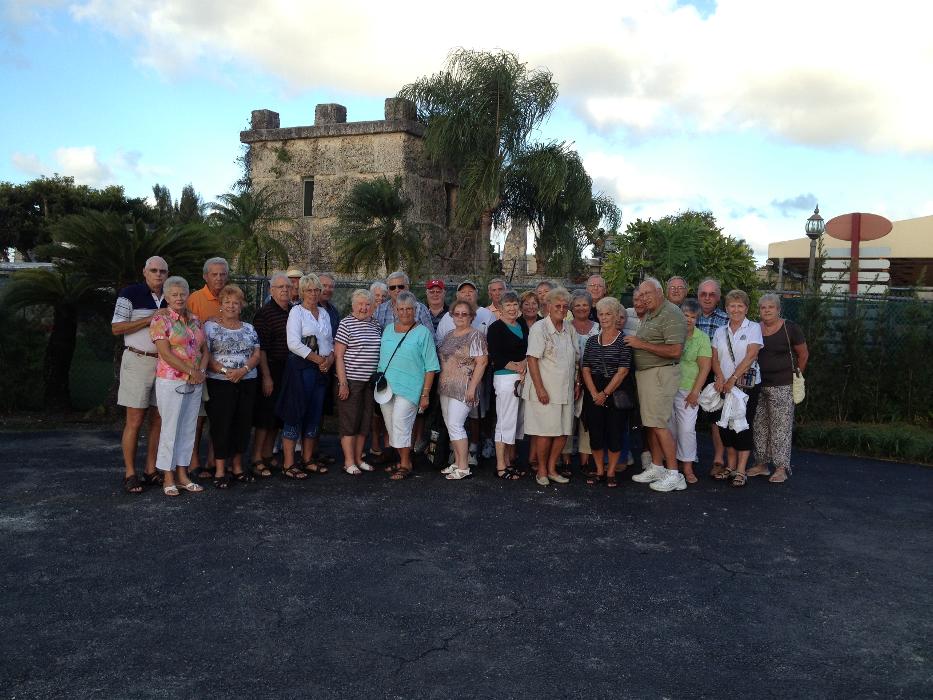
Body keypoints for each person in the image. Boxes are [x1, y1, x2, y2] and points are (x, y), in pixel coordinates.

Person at [112, 256, 169, 494]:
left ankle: (150, 470)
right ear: (144, 272)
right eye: (153, 270)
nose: (158, 274)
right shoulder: (130, 294)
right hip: (138, 360)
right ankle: (130, 473)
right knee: (135, 420)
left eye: (162, 271)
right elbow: (116, 327)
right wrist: (150, 319)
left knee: (158, 420)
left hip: (165, 365)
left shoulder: (172, 294)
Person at [626, 278, 688, 493]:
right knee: (651, 424)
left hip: (660, 374)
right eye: (641, 295)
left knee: (660, 424)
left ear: (659, 291)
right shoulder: (653, 313)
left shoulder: (671, 313)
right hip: (648, 375)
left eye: (647, 294)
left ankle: (674, 474)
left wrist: (639, 343)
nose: (643, 298)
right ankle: (657, 466)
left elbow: (675, 351)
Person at [150, 276, 207, 497]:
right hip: (171, 380)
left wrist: (200, 372)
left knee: (188, 428)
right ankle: (168, 476)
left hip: (195, 381)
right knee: (170, 428)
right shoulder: (161, 320)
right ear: (167, 296)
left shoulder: (195, 319)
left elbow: (204, 350)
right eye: (174, 294)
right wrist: (190, 371)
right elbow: (164, 352)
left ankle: (183, 475)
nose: (179, 298)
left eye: (182, 293)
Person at [376, 291, 439, 480]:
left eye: (409, 309)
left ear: (415, 309)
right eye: (401, 309)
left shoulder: (423, 333)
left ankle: (405, 464)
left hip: (411, 388)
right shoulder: (387, 330)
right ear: (395, 310)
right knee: (391, 426)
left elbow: (431, 366)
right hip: (386, 388)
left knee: (401, 423)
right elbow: (382, 360)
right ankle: (402, 459)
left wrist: (425, 394)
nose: (405, 312)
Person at [277, 273, 334, 479]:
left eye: (316, 290)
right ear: (301, 292)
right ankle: (289, 463)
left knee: (314, 414)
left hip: (321, 371)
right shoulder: (296, 312)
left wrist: (329, 360)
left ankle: (308, 459)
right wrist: (319, 360)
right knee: (295, 413)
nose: (313, 293)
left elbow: (330, 341)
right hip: (301, 369)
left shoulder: (324, 313)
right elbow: (293, 343)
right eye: (308, 290)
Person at [204, 284, 261, 488]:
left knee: (243, 425)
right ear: (221, 304)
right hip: (220, 383)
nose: (231, 306)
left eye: (235, 302)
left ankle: (237, 467)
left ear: (241, 305)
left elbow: (256, 354)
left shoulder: (249, 328)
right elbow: (206, 354)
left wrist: (243, 370)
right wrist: (224, 371)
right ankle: (220, 471)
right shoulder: (210, 327)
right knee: (221, 425)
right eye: (227, 302)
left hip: (247, 381)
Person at [748, 293, 808, 484]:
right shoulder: (755, 328)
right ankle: (761, 464)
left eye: (770, 307)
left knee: (780, 428)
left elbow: (803, 354)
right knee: (759, 426)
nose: (766, 311)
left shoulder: (790, 328)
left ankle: (781, 468)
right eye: (763, 307)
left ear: (778, 309)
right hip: (759, 384)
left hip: (783, 385)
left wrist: (796, 374)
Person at [524, 287, 581, 486]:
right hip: (545, 391)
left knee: (563, 432)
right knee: (545, 432)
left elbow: (576, 360)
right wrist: (540, 389)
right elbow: (531, 360)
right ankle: (541, 470)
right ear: (548, 307)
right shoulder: (539, 329)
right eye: (558, 305)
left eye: (565, 306)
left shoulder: (569, 329)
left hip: (565, 390)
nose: (562, 309)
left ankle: (551, 468)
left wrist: (577, 383)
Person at [710, 289, 763, 487]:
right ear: (726, 308)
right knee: (725, 427)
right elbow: (715, 358)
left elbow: (751, 356)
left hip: (745, 386)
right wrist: (721, 377)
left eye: (740, 305)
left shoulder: (753, 328)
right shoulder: (719, 331)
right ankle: (730, 467)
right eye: (732, 305)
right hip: (724, 386)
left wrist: (732, 378)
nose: (736, 309)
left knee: (742, 426)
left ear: (746, 308)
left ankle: (741, 470)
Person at [581, 297, 633, 487]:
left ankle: (611, 471)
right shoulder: (592, 341)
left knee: (614, 433)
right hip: (593, 389)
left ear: (616, 316)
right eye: (601, 314)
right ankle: (599, 470)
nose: (604, 318)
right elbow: (585, 368)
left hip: (616, 391)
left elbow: (623, 371)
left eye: (608, 314)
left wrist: (605, 393)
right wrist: (595, 393)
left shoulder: (624, 341)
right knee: (595, 432)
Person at [186, 256, 229, 477]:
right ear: (205, 276)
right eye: (214, 274)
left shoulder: (231, 297)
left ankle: (213, 460)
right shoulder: (194, 299)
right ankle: (193, 462)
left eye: (223, 274)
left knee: (219, 418)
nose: (219, 278)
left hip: (223, 372)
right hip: (200, 368)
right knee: (198, 418)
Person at [437, 300, 489, 480]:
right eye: (456, 313)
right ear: (451, 315)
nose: (460, 317)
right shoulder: (449, 334)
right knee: (451, 425)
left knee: (456, 425)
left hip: (464, 386)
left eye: (464, 314)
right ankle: (457, 462)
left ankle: (464, 466)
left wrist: (473, 388)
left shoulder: (476, 336)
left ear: (471, 317)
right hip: (446, 386)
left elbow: (482, 363)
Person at [334, 289, 382, 475]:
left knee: (364, 421)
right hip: (352, 381)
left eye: (367, 304)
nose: (364, 308)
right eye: (360, 304)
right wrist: (343, 383)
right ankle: (348, 461)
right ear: (353, 305)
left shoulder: (375, 324)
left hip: (370, 383)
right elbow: (338, 356)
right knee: (349, 422)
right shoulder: (346, 324)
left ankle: (358, 458)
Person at [250, 272, 291, 477]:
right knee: (264, 416)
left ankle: (267, 454)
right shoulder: (264, 314)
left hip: (288, 369)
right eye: (280, 287)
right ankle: (256, 457)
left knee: (277, 416)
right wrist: (266, 376)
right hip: (270, 369)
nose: (285, 290)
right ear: (271, 290)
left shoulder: (294, 311)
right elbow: (261, 348)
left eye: (287, 287)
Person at [669, 299, 712, 484]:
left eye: (693, 317)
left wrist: (696, 392)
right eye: (685, 315)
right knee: (669, 428)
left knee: (687, 429)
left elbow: (705, 367)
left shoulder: (702, 338)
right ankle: (670, 465)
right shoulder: (671, 333)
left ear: (697, 319)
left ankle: (687, 466)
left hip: (688, 390)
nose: (689, 319)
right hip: (668, 387)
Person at [487, 291, 528, 479]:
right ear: (501, 309)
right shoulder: (496, 328)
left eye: (514, 304)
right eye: (507, 305)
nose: (512, 308)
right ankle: (501, 466)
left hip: (522, 377)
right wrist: (517, 367)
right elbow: (496, 356)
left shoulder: (521, 325)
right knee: (505, 421)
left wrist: (524, 366)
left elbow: (528, 350)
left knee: (517, 422)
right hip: (505, 378)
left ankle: (510, 461)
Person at [563, 290, 600, 475]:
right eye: (577, 305)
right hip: (569, 379)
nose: (581, 308)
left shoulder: (598, 328)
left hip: (592, 380)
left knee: (588, 420)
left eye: (585, 304)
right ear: (571, 308)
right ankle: (566, 460)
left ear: (590, 306)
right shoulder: (565, 327)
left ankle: (586, 461)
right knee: (567, 419)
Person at [696, 278, 729, 477]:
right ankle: (684, 458)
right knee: (684, 414)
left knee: (716, 418)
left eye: (712, 294)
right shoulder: (687, 315)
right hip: (690, 372)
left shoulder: (726, 319)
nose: (707, 298)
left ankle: (719, 459)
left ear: (718, 298)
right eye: (703, 294)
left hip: (715, 373)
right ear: (698, 295)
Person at [373, 270, 434, 336]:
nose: (397, 290)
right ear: (388, 291)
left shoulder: (420, 309)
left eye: (400, 286)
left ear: (407, 287)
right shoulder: (380, 309)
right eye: (392, 287)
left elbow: (430, 336)